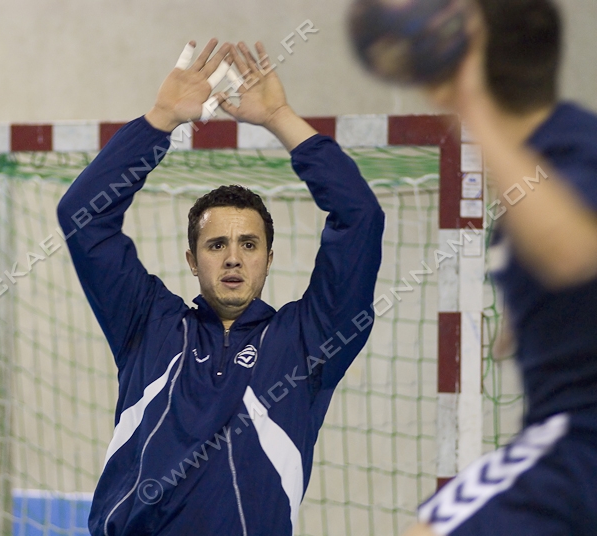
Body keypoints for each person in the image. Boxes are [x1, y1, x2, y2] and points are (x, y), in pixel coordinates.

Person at [57, 39, 385, 535]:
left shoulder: (308, 342)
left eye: (249, 245)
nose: (233, 256)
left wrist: (280, 117)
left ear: (270, 259)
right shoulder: (149, 325)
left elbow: (360, 218)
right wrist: (159, 120)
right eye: (216, 246)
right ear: (192, 260)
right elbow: (83, 217)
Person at [403, 1, 597, 535]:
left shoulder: (567, 154)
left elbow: (572, 252)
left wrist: (470, 106)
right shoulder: (551, 161)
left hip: (578, 440)